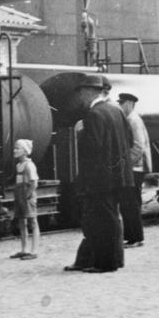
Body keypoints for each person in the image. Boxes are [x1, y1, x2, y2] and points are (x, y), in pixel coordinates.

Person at [64, 74, 131, 274]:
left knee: (100, 220)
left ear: (88, 92)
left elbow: (93, 147)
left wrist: (80, 132)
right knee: (107, 218)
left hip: (99, 179)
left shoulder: (93, 114)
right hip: (116, 176)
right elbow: (127, 138)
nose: (80, 97)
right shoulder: (115, 110)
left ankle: (105, 263)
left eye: (82, 92)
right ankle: (107, 259)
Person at [117, 93, 150, 248]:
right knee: (129, 203)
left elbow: (138, 146)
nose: (120, 105)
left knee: (130, 204)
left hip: (135, 169)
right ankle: (133, 237)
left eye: (122, 102)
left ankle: (135, 238)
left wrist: (126, 164)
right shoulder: (130, 119)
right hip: (134, 168)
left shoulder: (133, 120)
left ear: (130, 103)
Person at [10, 139, 39, 261]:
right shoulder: (18, 166)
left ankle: (34, 251)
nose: (15, 150)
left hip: (28, 197)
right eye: (15, 148)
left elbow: (34, 183)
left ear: (25, 151)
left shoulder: (29, 165)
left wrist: (27, 196)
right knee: (22, 222)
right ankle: (24, 249)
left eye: (18, 148)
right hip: (20, 197)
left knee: (33, 222)